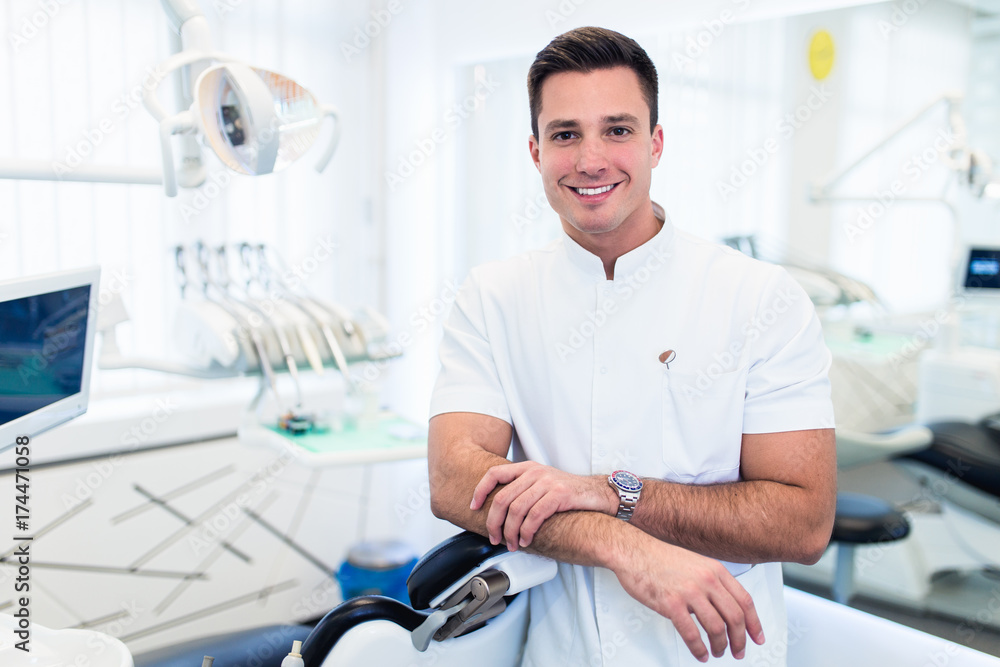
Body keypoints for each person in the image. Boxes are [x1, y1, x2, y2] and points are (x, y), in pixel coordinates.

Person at [427, 26, 836, 666]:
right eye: (566, 134)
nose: (591, 159)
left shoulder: (759, 298)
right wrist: (625, 546)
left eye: (618, 130)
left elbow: (804, 522)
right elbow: (455, 480)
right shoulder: (494, 297)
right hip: (557, 652)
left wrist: (614, 492)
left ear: (656, 143)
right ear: (535, 152)